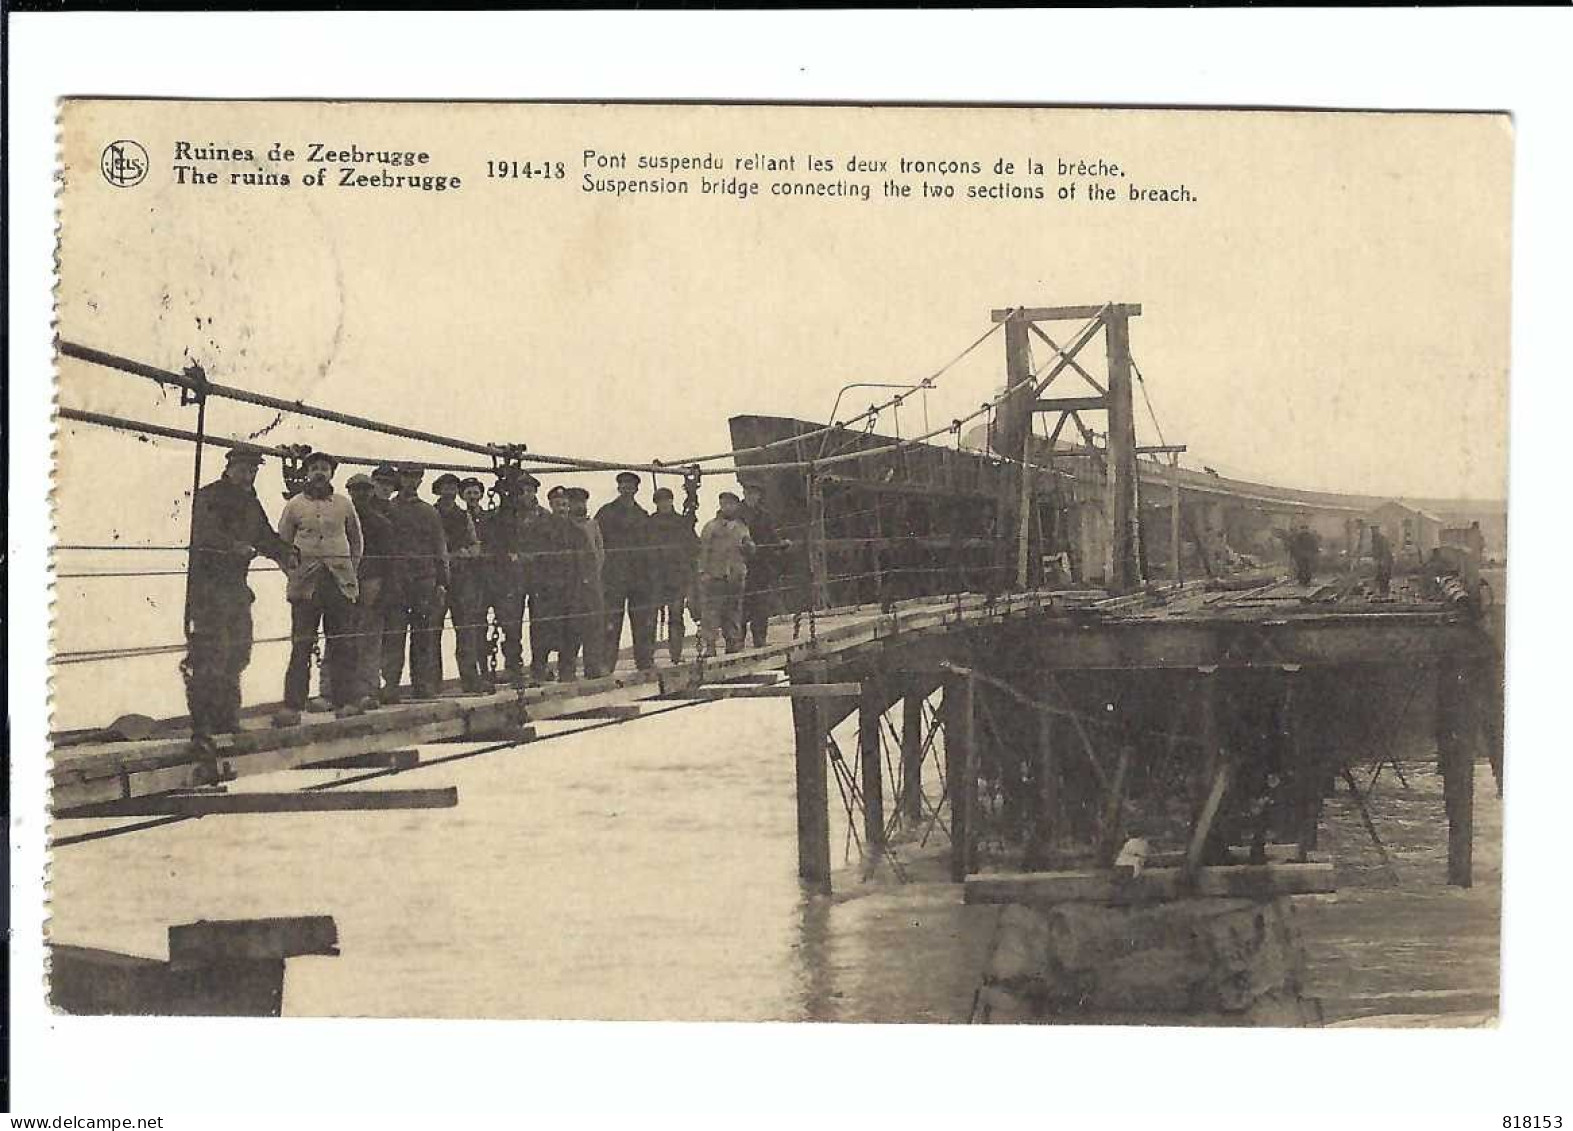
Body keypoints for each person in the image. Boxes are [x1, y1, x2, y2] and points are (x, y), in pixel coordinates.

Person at [182, 447, 297, 743]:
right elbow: (204, 533)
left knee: (238, 651)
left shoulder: (250, 502)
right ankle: (203, 723)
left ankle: (226, 717)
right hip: (208, 588)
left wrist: (285, 551)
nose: (250, 474)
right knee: (209, 654)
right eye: (245, 468)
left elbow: (264, 536)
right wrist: (233, 546)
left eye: (254, 469)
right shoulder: (210, 496)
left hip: (235, 588)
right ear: (230, 467)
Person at [278, 451, 363, 718]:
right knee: (301, 644)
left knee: (342, 643)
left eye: (324, 468)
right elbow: (282, 544)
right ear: (307, 472)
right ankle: (293, 705)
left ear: (331, 473)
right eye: (314, 468)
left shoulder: (344, 504)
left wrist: (348, 570)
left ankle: (345, 701)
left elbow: (356, 541)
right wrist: (294, 573)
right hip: (306, 585)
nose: (319, 473)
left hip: (338, 582)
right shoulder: (294, 505)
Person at [382, 463, 449, 701]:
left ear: (421, 481)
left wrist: (442, 582)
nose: (411, 481)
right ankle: (390, 685)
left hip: (424, 581)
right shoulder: (389, 509)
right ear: (400, 478)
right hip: (398, 581)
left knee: (423, 635)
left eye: (416, 477)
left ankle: (423, 684)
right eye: (407, 476)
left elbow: (439, 548)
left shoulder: (429, 512)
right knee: (394, 634)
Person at [523, 486, 598, 681]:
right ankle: (538, 671)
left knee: (571, 632)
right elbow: (533, 559)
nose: (562, 508)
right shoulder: (539, 530)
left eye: (565, 504)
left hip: (571, 592)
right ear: (551, 505)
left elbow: (589, 560)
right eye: (558, 504)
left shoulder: (577, 532)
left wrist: (584, 585)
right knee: (543, 633)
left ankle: (567, 671)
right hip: (547, 592)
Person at [480, 469, 543, 687]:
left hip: (537, 576)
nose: (525, 495)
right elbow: (494, 543)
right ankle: (514, 666)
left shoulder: (543, 517)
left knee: (540, 623)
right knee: (511, 623)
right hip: (512, 577)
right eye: (521, 491)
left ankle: (538, 667)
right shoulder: (502, 518)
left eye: (528, 491)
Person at [596, 471, 657, 670]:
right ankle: (607, 663)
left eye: (631, 485)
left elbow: (650, 547)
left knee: (642, 621)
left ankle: (645, 661)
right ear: (619, 487)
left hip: (639, 576)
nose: (627, 488)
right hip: (614, 574)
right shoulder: (606, 513)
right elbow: (597, 541)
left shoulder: (643, 515)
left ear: (636, 488)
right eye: (623, 484)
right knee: (611, 621)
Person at [431, 473, 486, 693]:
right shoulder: (431, 513)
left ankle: (470, 679)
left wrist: (464, 553)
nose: (450, 491)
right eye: (446, 487)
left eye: (454, 487)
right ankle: (432, 683)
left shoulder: (463, 516)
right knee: (433, 629)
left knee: (466, 629)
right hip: (437, 577)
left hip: (462, 578)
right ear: (439, 490)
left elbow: (475, 545)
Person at [345, 472, 394, 710]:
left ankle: (367, 689)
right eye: (356, 491)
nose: (360, 495)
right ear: (350, 493)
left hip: (371, 581)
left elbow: (389, 560)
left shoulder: (380, 523)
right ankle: (336, 689)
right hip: (346, 580)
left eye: (364, 490)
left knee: (369, 637)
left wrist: (385, 590)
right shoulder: (340, 520)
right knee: (341, 635)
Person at [697, 491, 755, 655]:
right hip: (715, 575)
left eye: (730, 504)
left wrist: (749, 547)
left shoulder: (742, 527)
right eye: (724, 504)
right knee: (711, 612)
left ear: (736, 506)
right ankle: (710, 646)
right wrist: (703, 572)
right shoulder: (711, 527)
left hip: (735, 575)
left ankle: (732, 643)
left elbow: (749, 547)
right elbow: (703, 551)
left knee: (734, 611)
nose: (727, 507)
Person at [648, 485, 699, 663]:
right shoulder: (650, 522)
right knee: (651, 616)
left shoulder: (681, 522)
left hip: (677, 576)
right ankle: (648, 656)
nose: (664, 504)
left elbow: (693, 545)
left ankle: (675, 654)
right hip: (656, 576)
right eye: (660, 501)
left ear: (671, 501)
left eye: (666, 500)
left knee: (676, 615)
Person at [738, 482, 789, 648]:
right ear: (744, 493)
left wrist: (781, 544)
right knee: (741, 605)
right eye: (748, 493)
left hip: (760, 565)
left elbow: (772, 536)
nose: (751, 496)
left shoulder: (764, 515)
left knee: (761, 605)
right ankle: (738, 640)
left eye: (755, 493)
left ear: (758, 496)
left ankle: (760, 639)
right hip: (741, 565)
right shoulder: (736, 514)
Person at [567, 486, 608, 677]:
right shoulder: (564, 526)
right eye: (575, 502)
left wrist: (594, 574)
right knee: (571, 626)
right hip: (572, 583)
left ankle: (593, 667)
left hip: (592, 582)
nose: (579, 506)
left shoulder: (592, 525)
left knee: (594, 624)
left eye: (582, 502)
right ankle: (568, 669)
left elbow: (600, 551)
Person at [1288, 522, 1320, 587]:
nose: (1304, 530)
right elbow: (1294, 546)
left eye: (1305, 528)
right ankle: (1303, 581)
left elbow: (1315, 545)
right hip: (1302, 555)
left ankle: (1306, 580)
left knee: (1306, 568)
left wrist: (1315, 552)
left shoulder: (1309, 536)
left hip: (1306, 555)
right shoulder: (1298, 536)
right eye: (1302, 528)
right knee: (1302, 568)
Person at [1371, 523, 1394, 597]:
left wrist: (1382, 561)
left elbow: (1385, 550)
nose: (1373, 531)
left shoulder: (1381, 539)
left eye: (1374, 530)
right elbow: (1375, 551)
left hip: (1385, 561)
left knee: (1384, 577)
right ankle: (1382, 593)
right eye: (1372, 530)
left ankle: (1384, 593)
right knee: (1380, 577)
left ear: (1377, 530)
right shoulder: (1374, 539)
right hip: (1380, 560)